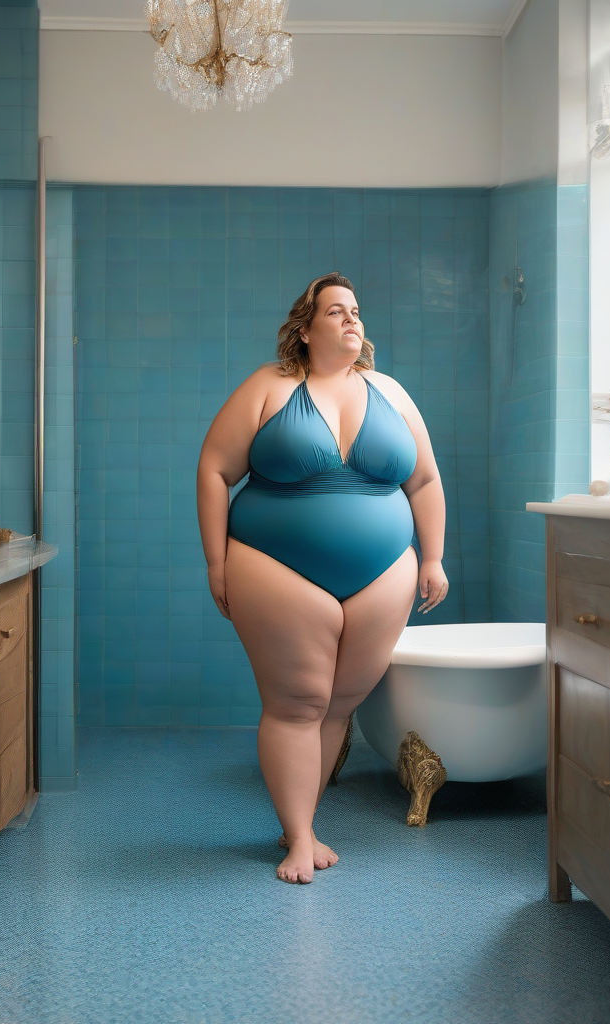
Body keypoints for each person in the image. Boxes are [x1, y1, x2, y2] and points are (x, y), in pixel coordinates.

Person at [197, 272, 448, 884]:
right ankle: (300, 840)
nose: (351, 320)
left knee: (339, 703)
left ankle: (300, 820)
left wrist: (434, 557)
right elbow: (214, 467)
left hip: (383, 572)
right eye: (336, 311)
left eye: (356, 311)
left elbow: (424, 480)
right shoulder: (270, 386)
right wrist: (215, 561)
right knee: (298, 703)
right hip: (276, 567)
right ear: (305, 330)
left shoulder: (390, 391)